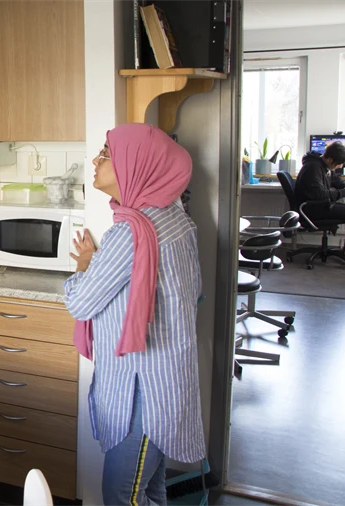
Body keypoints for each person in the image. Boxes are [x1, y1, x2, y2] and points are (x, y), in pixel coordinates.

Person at [64, 123, 205, 505]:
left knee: (121, 493)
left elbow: (80, 303)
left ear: (136, 165)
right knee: (151, 489)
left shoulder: (131, 233)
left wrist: (84, 267)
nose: (95, 160)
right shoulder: (175, 220)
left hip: (140, 390)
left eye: (106, 154)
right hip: (167, 378)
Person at [294, 142, 345, 261]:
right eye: (339, 163)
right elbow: (319, 195)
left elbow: (337, 182)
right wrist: (344, 192)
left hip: (321, 206)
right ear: (331, 159)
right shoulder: (313, 168)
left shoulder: (322, 165)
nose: (341, 166)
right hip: (312, 209)